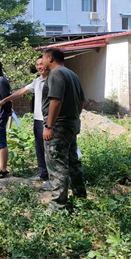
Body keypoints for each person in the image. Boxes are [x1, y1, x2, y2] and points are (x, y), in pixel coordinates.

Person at [41, 48, 87, 210]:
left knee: (56, 163)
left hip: (58, 126)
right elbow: (81, 100)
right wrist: (74, 117)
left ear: (50, 58)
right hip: (70, 124)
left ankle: (57, 205)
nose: (42, 62)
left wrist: (49, 126)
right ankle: (80, 197)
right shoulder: (72, 74)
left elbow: (56, 101)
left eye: (43, 58)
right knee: (73, 161)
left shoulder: (56, 74)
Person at [0, 56, 50, 185]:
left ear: (48, 64)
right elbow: (21, 91)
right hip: (38, 119)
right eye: (37, 64)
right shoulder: (37, 81)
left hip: (49, 119)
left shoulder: (54, 80)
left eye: (41, 64)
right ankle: (43, 174)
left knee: (50, 149)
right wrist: (5, 100)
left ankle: (54, 178)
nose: (39, 67)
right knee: (40, 148)